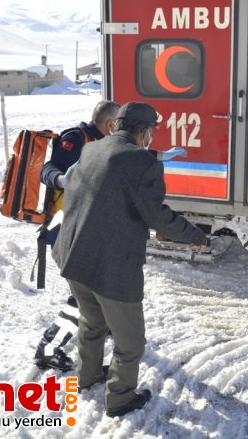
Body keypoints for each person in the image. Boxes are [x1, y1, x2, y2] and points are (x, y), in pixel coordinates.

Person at [51, 101, 208, 417]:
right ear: (146, 131)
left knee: (92, 322)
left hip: (73, 256)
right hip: (110, 265)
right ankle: (120, 399)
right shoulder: (142, 161)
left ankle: (88, 377)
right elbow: (156, 216)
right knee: (131, 341)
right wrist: (195, 236)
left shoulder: (92, 149)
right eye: (151, 132)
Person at [34, 100, 188, 372]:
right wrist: (60, 179)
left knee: (95, 292)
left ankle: (99, 327)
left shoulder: (104, 142)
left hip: (89, 227)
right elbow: (47, 170)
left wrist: (164, 154)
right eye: (120, 124)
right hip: (67, 226)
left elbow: (131, 157)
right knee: (80, 300)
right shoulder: (76, 139)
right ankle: (48, 348)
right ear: (110, 125)